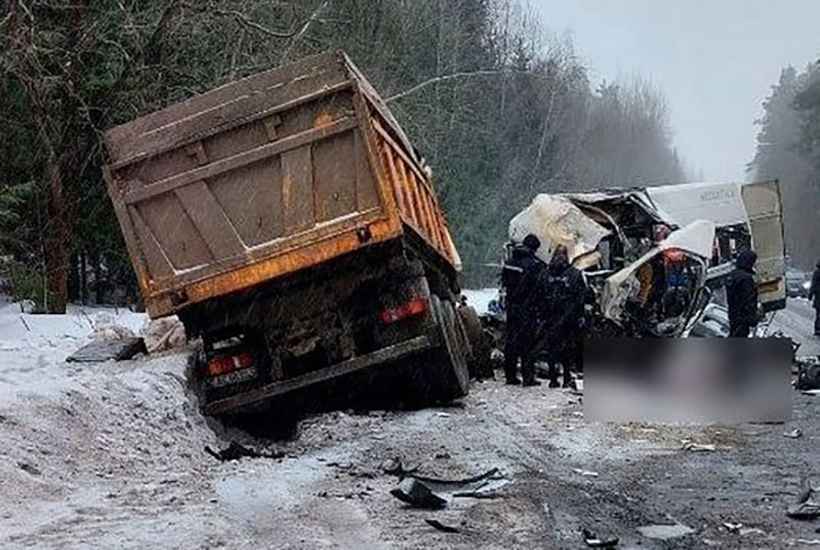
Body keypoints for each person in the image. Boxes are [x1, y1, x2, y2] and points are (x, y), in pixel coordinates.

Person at [536, 245, 587, 388]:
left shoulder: (545, 274)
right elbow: (581, 297)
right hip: (567, 317)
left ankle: (554, 378)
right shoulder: (574, 274)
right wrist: (580, 315)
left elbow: (538, 295)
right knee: (567, 348)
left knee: (552, 348)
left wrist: (541, 314)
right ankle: (565, 377)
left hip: (551, 317)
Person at [501, 234, 545, 385]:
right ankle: (528, 377)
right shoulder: (535, 265)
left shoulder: (509, 262)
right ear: (534, 248)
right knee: (528, 343)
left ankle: (510, 376)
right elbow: (539, 289)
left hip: (511, 307)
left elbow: (505, 283)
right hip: (528, 309)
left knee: (511, 341)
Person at [725, 249, 759, 337]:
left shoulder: (732, 275)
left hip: (733, 316)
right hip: (743, 319)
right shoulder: (746, 279)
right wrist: (752, 318)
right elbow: (748, 300)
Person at [809, 260, 820, 336]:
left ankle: (817, 329)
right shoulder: (817, 273)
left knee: (818, 314)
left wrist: (810, 294)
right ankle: (818, 329)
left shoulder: (816, 272)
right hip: (818, 296)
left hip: (818, 296)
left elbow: (813, 284)